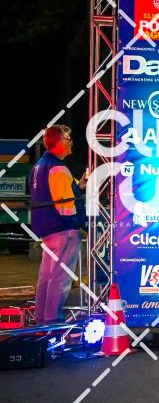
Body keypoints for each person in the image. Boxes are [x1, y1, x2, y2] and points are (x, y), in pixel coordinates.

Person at [30, 125, 87, 326]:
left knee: (46, 277)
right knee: (60, 279)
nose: (71, 143)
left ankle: (41, 320)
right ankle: (53, 321)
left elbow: (56, 195)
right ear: (59, 142)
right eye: (68, 139)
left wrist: (78, 188)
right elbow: (66, 207)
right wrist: (82, 225)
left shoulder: (39, 166)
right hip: (63, 230)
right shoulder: (58, 168)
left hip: (48, 230)